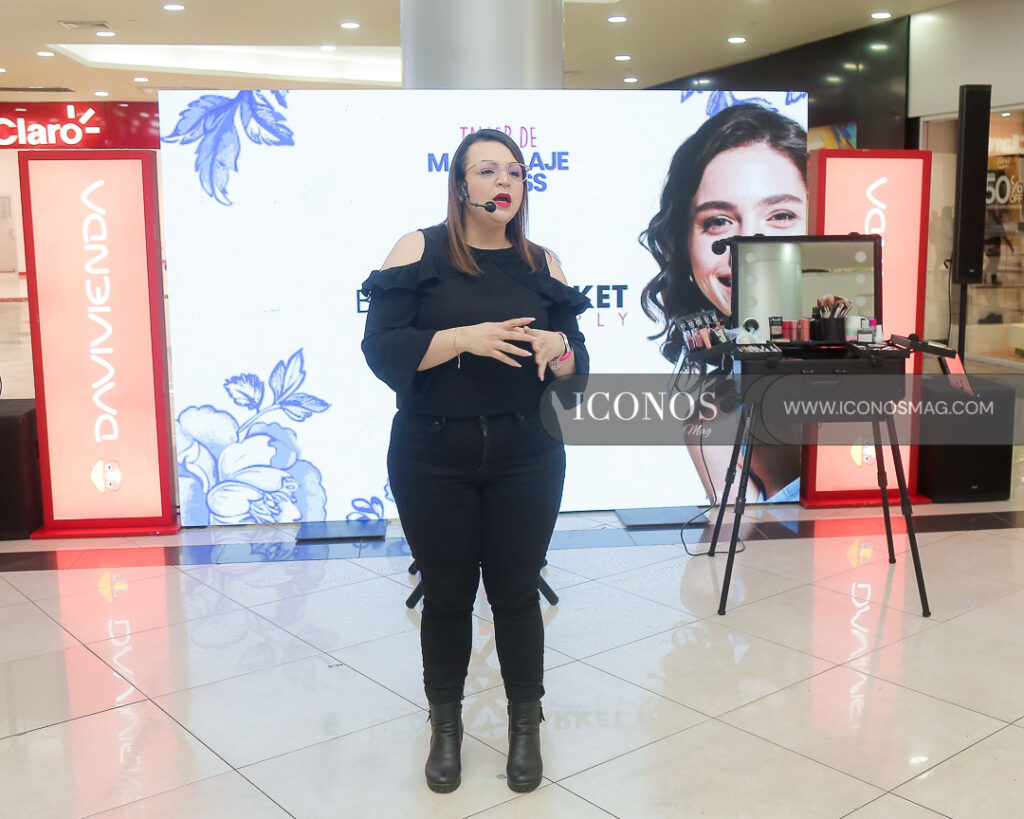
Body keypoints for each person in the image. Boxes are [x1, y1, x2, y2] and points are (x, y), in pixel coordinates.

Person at [360, 129, 590, 794]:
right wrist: (463, 338)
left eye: (514, 171)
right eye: (487, 170)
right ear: (460, 185)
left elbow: (576, 376)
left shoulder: (543, 262)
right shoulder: (418, 249)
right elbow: (382, 351)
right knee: (447, 595)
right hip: (432, 452)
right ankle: (446, 728)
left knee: (517, 594)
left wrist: (560, 350)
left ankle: (525, 727)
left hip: (528, 452)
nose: (504, 181)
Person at [640, 104, 808, 503]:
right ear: (683, 247)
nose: (750, 248)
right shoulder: (711, 417)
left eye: (781, 215)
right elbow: (743, 535)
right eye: (718, 221)